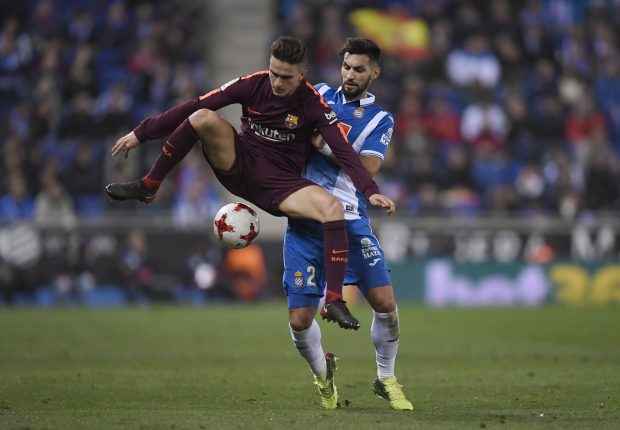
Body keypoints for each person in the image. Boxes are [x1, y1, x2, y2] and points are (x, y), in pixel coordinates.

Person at [105, 36, 395, 329]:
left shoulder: (314, 104)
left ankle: (334, 299)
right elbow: (195, 103)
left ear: (302, 75)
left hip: (281, 183)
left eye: (285, 77)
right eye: (273, 73)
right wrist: (142, 133)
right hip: (240, 164)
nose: (277, 83)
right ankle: (149, 185)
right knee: (202, 116)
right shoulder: (252, 84)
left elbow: (344, 152)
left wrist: (369, 191)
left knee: (332, 209)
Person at [283, 37, 413, 410]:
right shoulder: (318, 93)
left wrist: (323, 141)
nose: (350, 75)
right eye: (346, 67)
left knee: (385, 303)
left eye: (359, 69)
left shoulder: (380, 118)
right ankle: (323, 372)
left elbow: (367, 168)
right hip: (307, 218)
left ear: (375, 71)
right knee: (299, 318)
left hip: (351, 220)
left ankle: (386, 378)